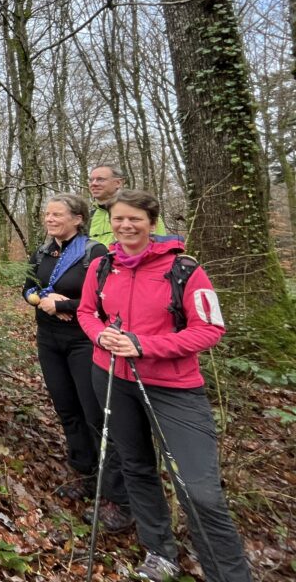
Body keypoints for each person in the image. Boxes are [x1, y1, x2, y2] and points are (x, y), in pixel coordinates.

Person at [78, 189, 252, 582]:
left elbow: (209, 330)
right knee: (136, 466)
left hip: (174, 387)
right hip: (110, 378)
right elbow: (89, 312)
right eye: (119, 219)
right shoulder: (101, 267)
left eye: (135, 219)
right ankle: (160, 551)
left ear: (152, 224)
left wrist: (145, 346)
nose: (125, 225)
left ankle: (227, 571)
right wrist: (101, 336)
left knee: (199, 488)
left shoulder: (185, 270)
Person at [23, 194, 132, 532]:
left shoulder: (94, 253)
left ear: (78, 218)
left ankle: (112, 488)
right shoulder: (42, 252)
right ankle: (84, 472)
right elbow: (27, 288)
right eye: (47, 213)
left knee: (94, 411)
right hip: (49, 338)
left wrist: (65, 305)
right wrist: (39, 299)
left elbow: (103, 300)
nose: (49, 219)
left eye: (57, 214)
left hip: (84, 342)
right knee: (66, 408)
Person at [87, 164, 164, 246]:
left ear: (118, 183)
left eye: (100, 179)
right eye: (91, 180)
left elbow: (159, 246)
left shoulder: (142, 209)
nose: (93, 184)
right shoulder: (88, 217)